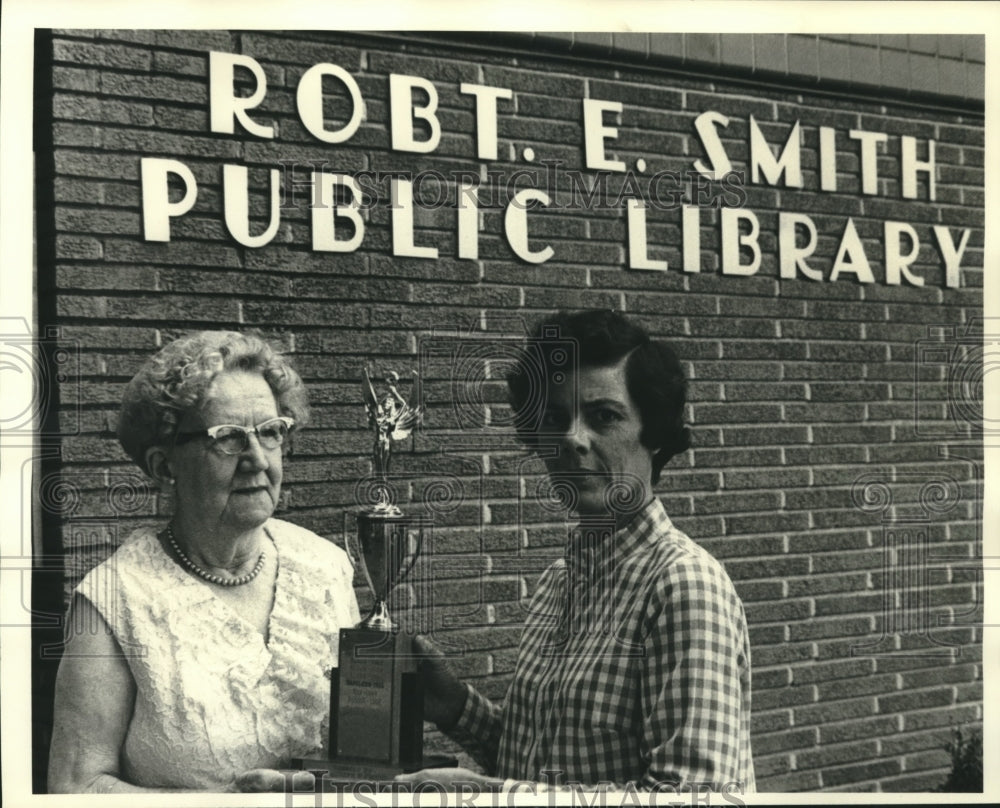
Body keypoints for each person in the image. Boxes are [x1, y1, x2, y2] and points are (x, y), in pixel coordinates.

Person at [401, 309, 755, 795]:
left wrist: (495, 798)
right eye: (555, 418)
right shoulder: (558, 583)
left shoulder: (683, 585)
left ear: (654, 435)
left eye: (603, 416)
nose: (572, 438)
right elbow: (541, 762)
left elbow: (697, 798)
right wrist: (454, 706)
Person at [48, 331, 360, 793]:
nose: (257, 459)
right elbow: (75, 787)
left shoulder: (326, 566)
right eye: (229, 438)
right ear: (163, 465)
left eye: (271, 432)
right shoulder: (115, 600)